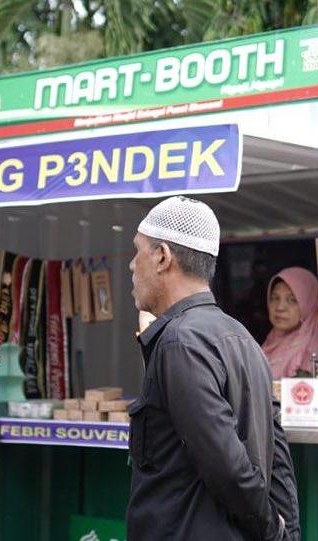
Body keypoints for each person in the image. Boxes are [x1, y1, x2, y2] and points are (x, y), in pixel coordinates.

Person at [126, 196, 300, 540]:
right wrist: (287, 533)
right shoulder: (243, 338)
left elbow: (227, 465)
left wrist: (273, 532)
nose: (132, 265)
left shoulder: (180, 342)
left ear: (162, 257)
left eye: (138, 251)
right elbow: (278, 458)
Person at [262, 267, 318, 379]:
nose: (280, 307)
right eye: (275, 298)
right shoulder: (271, 343)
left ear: (308, 303)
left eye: (292, 300)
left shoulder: (315, 351)